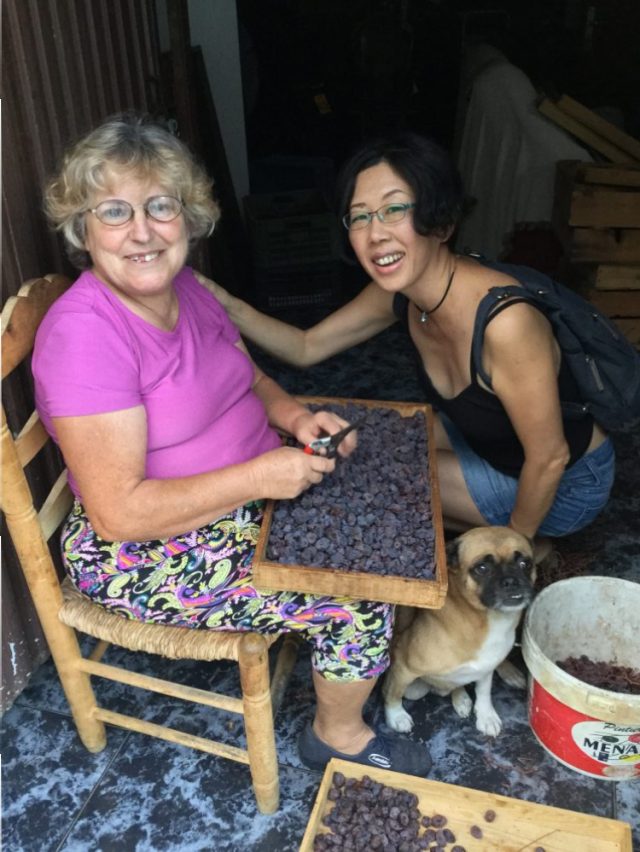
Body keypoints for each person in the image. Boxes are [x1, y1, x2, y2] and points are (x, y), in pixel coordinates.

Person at [32, 113, 431, 777]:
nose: (142, 231)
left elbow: (250, 376)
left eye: (161, 207)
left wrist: (296, 417)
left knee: (381, 516)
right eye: (115, 212)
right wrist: (258, 479)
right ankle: (337, 735)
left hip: (248, 494)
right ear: (83, 228)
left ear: (188, 218)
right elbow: (120, 514)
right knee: (360, 591)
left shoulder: (186, 289)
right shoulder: (85, 338)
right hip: (147, 551)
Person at [198, 132, 615, 542]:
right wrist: (222, 301)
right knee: (364, 442)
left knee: (376, 481)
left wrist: (513, 548)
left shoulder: (505, 323)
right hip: (488, 443)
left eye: (394, 209)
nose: (375, 233)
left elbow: (550, 457)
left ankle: (519, 536)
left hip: (566, 482)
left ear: (441, 223)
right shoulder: (400, 293)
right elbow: (306, 347)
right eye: (360, 216)